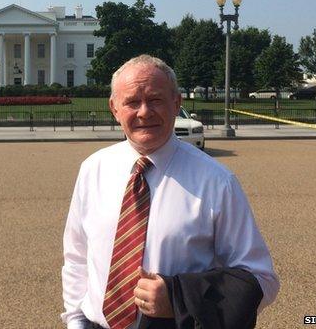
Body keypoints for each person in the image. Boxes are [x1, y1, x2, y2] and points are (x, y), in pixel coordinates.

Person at [61, 55, 279, 329]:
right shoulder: (93, 169)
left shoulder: (217, 181)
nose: (143, 112)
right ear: (114, 108)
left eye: (155, 100)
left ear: (176, 103)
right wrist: (75, 322)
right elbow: (77, 258)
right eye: (131, 102)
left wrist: (180, 301)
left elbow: (261, 279)